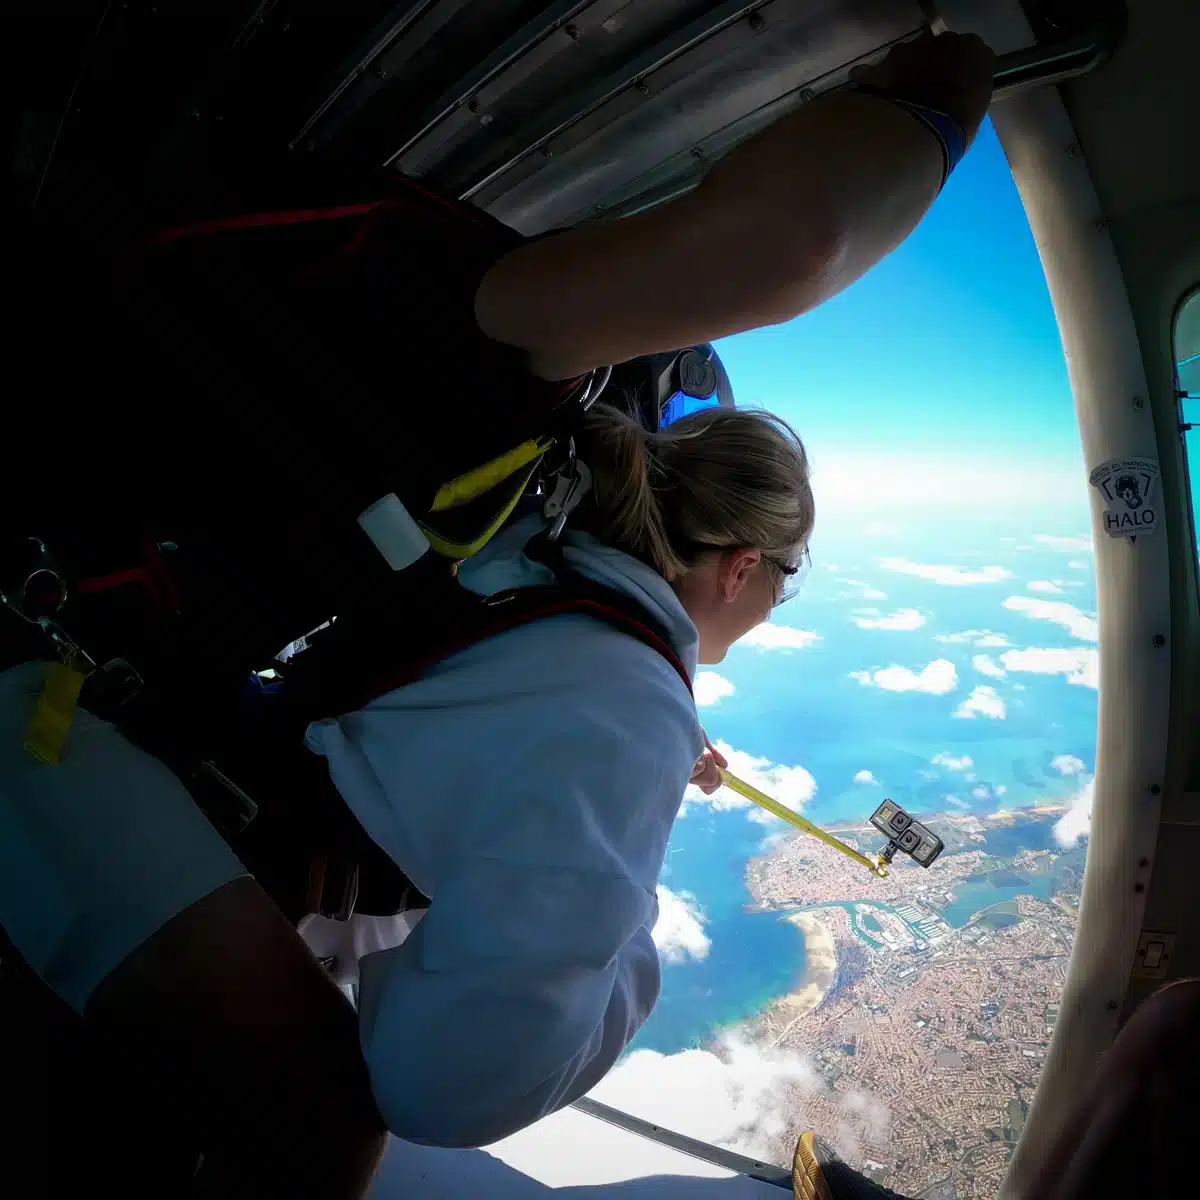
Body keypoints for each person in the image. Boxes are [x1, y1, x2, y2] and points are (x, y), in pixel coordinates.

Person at [0, 29, 996, 1198]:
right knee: (319, 1127)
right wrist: (631, 927)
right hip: (43, 704)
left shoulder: (527, 531)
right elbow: (452, 1086)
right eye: (792, 576)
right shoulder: (613, 689)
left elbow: (481, 707)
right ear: (736, 566)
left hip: (100, 665)